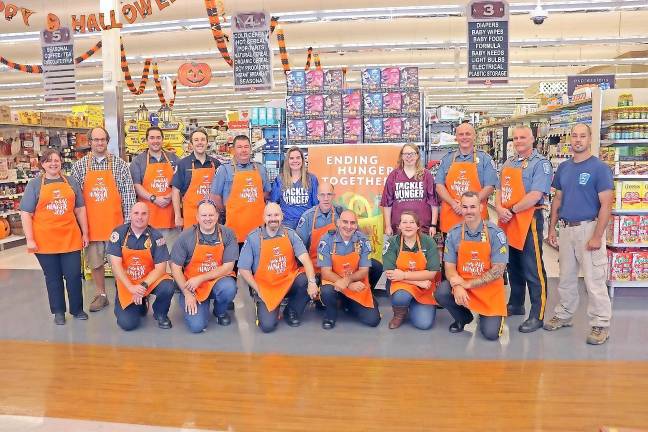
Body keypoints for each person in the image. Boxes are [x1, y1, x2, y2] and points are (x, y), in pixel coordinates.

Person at [545, 123, 614, 345]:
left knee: (594, 280)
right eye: (574, 136)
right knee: (565, 277)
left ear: (590, 139)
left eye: (582, 136)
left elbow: (606, 205)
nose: (577, 140)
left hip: (589, 228)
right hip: (566, 229)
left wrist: (597, 236)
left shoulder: (600, 168)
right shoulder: (564, 168)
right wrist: (551, 228)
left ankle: (600, 324)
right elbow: (558, 199)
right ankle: (564, 314)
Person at [20, 149, 89, 325]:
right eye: (48, 161)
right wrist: (30, 239)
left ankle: (77, 309)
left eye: (56, 160)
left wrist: (85, 232)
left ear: (61, 163)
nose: (53, 164)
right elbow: (26, 213)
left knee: (73, 275)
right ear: (42, 164)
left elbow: (80, 209)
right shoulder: (34, 185)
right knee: (53, 277)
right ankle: (58, 311)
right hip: (45, 240)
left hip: (70, 237)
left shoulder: (71, 181)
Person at [71, 126, 136, 312]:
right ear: (89, 142)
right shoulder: (79, 166)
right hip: (91, 226)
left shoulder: (120, 165)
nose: (99, 143)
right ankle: (101, 295)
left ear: (107, 142)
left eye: (102, 140)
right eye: (95, 140)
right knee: (96, 263)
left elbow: (128, 196)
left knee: (120, 263)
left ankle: (122, 293)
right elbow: (76, 199)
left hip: (116, 227)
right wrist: (80, 228)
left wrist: (128, 226)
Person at [495, 126, 552, 333]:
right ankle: (516, 303)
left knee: (533, 269)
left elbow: (536, 194)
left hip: (529, 220)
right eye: (516, 138)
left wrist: (510, 209)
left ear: (533, 139)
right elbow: (500, 189)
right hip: (508, 220)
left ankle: (537, 314)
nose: (518, 141)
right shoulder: (509, 162)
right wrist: (499, 208)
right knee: (514, 265)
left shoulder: (541, 164)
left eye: (523, 137)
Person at [435, 191, 508, 341]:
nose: (469, 211)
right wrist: (457, 286)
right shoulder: (454, 234)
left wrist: (467, 284)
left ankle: (485, 315)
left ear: (481, 208)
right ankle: (463, 317)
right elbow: (449, 267)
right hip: (464, 286)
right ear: (461, 208)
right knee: (442, 292)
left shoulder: (496, 233)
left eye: (473, 207)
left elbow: (498, 271)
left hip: (489, 291)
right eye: (465, 207)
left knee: (491, 334)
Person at [238, 203, 319, 333]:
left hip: (288, 282)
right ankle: (261, 305)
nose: (273, 218)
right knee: (267, 326)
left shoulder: (290, 234)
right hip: (265, 287)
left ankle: (291, 311)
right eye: (269, 215)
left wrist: (312, 282)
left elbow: (305, 259)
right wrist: (258, 289)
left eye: (276, 215)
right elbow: (243, 269)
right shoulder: (253, 238)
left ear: (282, 217)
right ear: (264, 218)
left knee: (308, 279)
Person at [170, 200, 238, 333]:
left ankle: (220, 312)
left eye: (211, 215)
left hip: (217, 281)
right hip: (192, 287)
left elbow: (228, 267)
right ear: (197, 217)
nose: (208, 219)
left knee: (229, 288)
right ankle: (192, 303)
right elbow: (175, 267)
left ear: (217, 216)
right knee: (197, 326)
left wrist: (200, 278)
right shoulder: (185, 237)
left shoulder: (228, 234)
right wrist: (187, 293)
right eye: (204, 215)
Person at [106, 203, 175, 331]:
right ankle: (141, 303)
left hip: (148, 281)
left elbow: (161, 268)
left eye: (144, 213)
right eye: (136, 213)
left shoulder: (156, 236)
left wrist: (143, 286)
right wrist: (131, 287)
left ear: (149, 216)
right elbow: (116, 266)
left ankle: (160, 313)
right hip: (128, 283)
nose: (140, 217)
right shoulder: (119, 233)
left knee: (168, 286)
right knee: (127, 324)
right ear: (130, 215)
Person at [318, 210, 381, 329]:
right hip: (335, 284)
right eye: (345, 222)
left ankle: (348, 304)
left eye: (352, 223)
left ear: (356, 225)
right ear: (338, 222)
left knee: (373, 320)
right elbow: (325, 273)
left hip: (354, 282)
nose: (348, 226)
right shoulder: (326, 240)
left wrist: (348, 281)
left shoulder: (363, 240)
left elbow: (364, 271)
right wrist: (349, 285)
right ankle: (330, 314)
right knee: (326, 291)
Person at [435, 123, 498, 234]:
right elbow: (439, 185)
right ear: (456, 137)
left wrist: (468, 204)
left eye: (468, 134)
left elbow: (489, 187)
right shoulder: (447, 159)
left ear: (474, 136)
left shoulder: (485, 159)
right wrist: (454, 204)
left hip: (476, 217)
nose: (464, 137)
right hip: (451, 215)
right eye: (461, 134)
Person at [383, 211, 441, 330]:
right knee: (401, 297)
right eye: (404, 222)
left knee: (423, 324)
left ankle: (414, 304)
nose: (408, 225)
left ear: (418, 226)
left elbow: (432, 273)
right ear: (399, 226)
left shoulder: (429, 242)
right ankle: (399, 313)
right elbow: (391, 274)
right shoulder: (391, 243)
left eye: (412, 222)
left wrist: (403, 275)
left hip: (425, 288)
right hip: (403, 286)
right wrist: (418, 282)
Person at [210, 135, 271, 244]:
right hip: (234, 230)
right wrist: (225, 210)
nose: (243, 150)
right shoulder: (224, 170)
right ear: (233, 149)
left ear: (250, 149)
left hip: (258, 229)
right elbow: (215, 196)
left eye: (246, 147)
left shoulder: (260, 169)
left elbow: (266, 193)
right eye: (239, 147)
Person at [130, 126, 181, 250]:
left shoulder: (173, 158)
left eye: (158, 137)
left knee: (170, 256)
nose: (155, 141)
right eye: (152, 138)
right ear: (147, 140)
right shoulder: (138, 161)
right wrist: (154, 198)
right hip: (148, 219)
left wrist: (170, 196)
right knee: (150, 257)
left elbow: (180, 182)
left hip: (171, 218)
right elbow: (136, 185)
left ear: (162, 139)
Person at [381, 143, 438, 236]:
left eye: (412, 153)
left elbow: (434, 202)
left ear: (417, 156)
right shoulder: (394, 175)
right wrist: (388, 226)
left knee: (421, 250)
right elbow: (387, 203)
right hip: (399, 227)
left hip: (422, 227)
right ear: (401, 156)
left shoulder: (426, 175)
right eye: (406, 154)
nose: (409, 157)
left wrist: (433, 225)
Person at [171, 129, 220, 230]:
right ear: (191, 144)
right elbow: (175, 191)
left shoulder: (216, 163)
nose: (200, 142)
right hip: (191, 216)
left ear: (207, 143)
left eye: (203, 139)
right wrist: (178, 216)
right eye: (196, 140)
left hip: (211, 217)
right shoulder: (183, 164)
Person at [270, 146, 319, 229]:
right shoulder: (280, 179)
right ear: (287, 161)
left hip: (307, 224)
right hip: (286, 224)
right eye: (291, 158)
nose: (295, 161)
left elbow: (316, 204)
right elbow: (274, 203)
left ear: (302, 160)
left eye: (298, 158)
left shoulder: (312, 179)